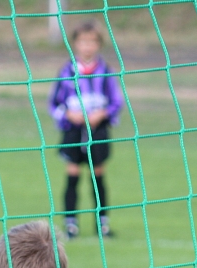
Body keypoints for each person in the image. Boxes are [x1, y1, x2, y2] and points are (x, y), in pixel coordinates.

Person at [48, 20, 124, 239]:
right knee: (72, 174)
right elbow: (53, 104)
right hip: (73, 130)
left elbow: (116, 102)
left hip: (97, 131)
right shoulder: (66, 71)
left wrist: (102, 113)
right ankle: (70, 224)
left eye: (92, 42)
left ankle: (102, 224)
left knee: (97, 175)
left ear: (99, 44)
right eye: (83, 42)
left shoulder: (106, 71)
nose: (87, 47)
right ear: (75, 44)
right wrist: (68, 114)